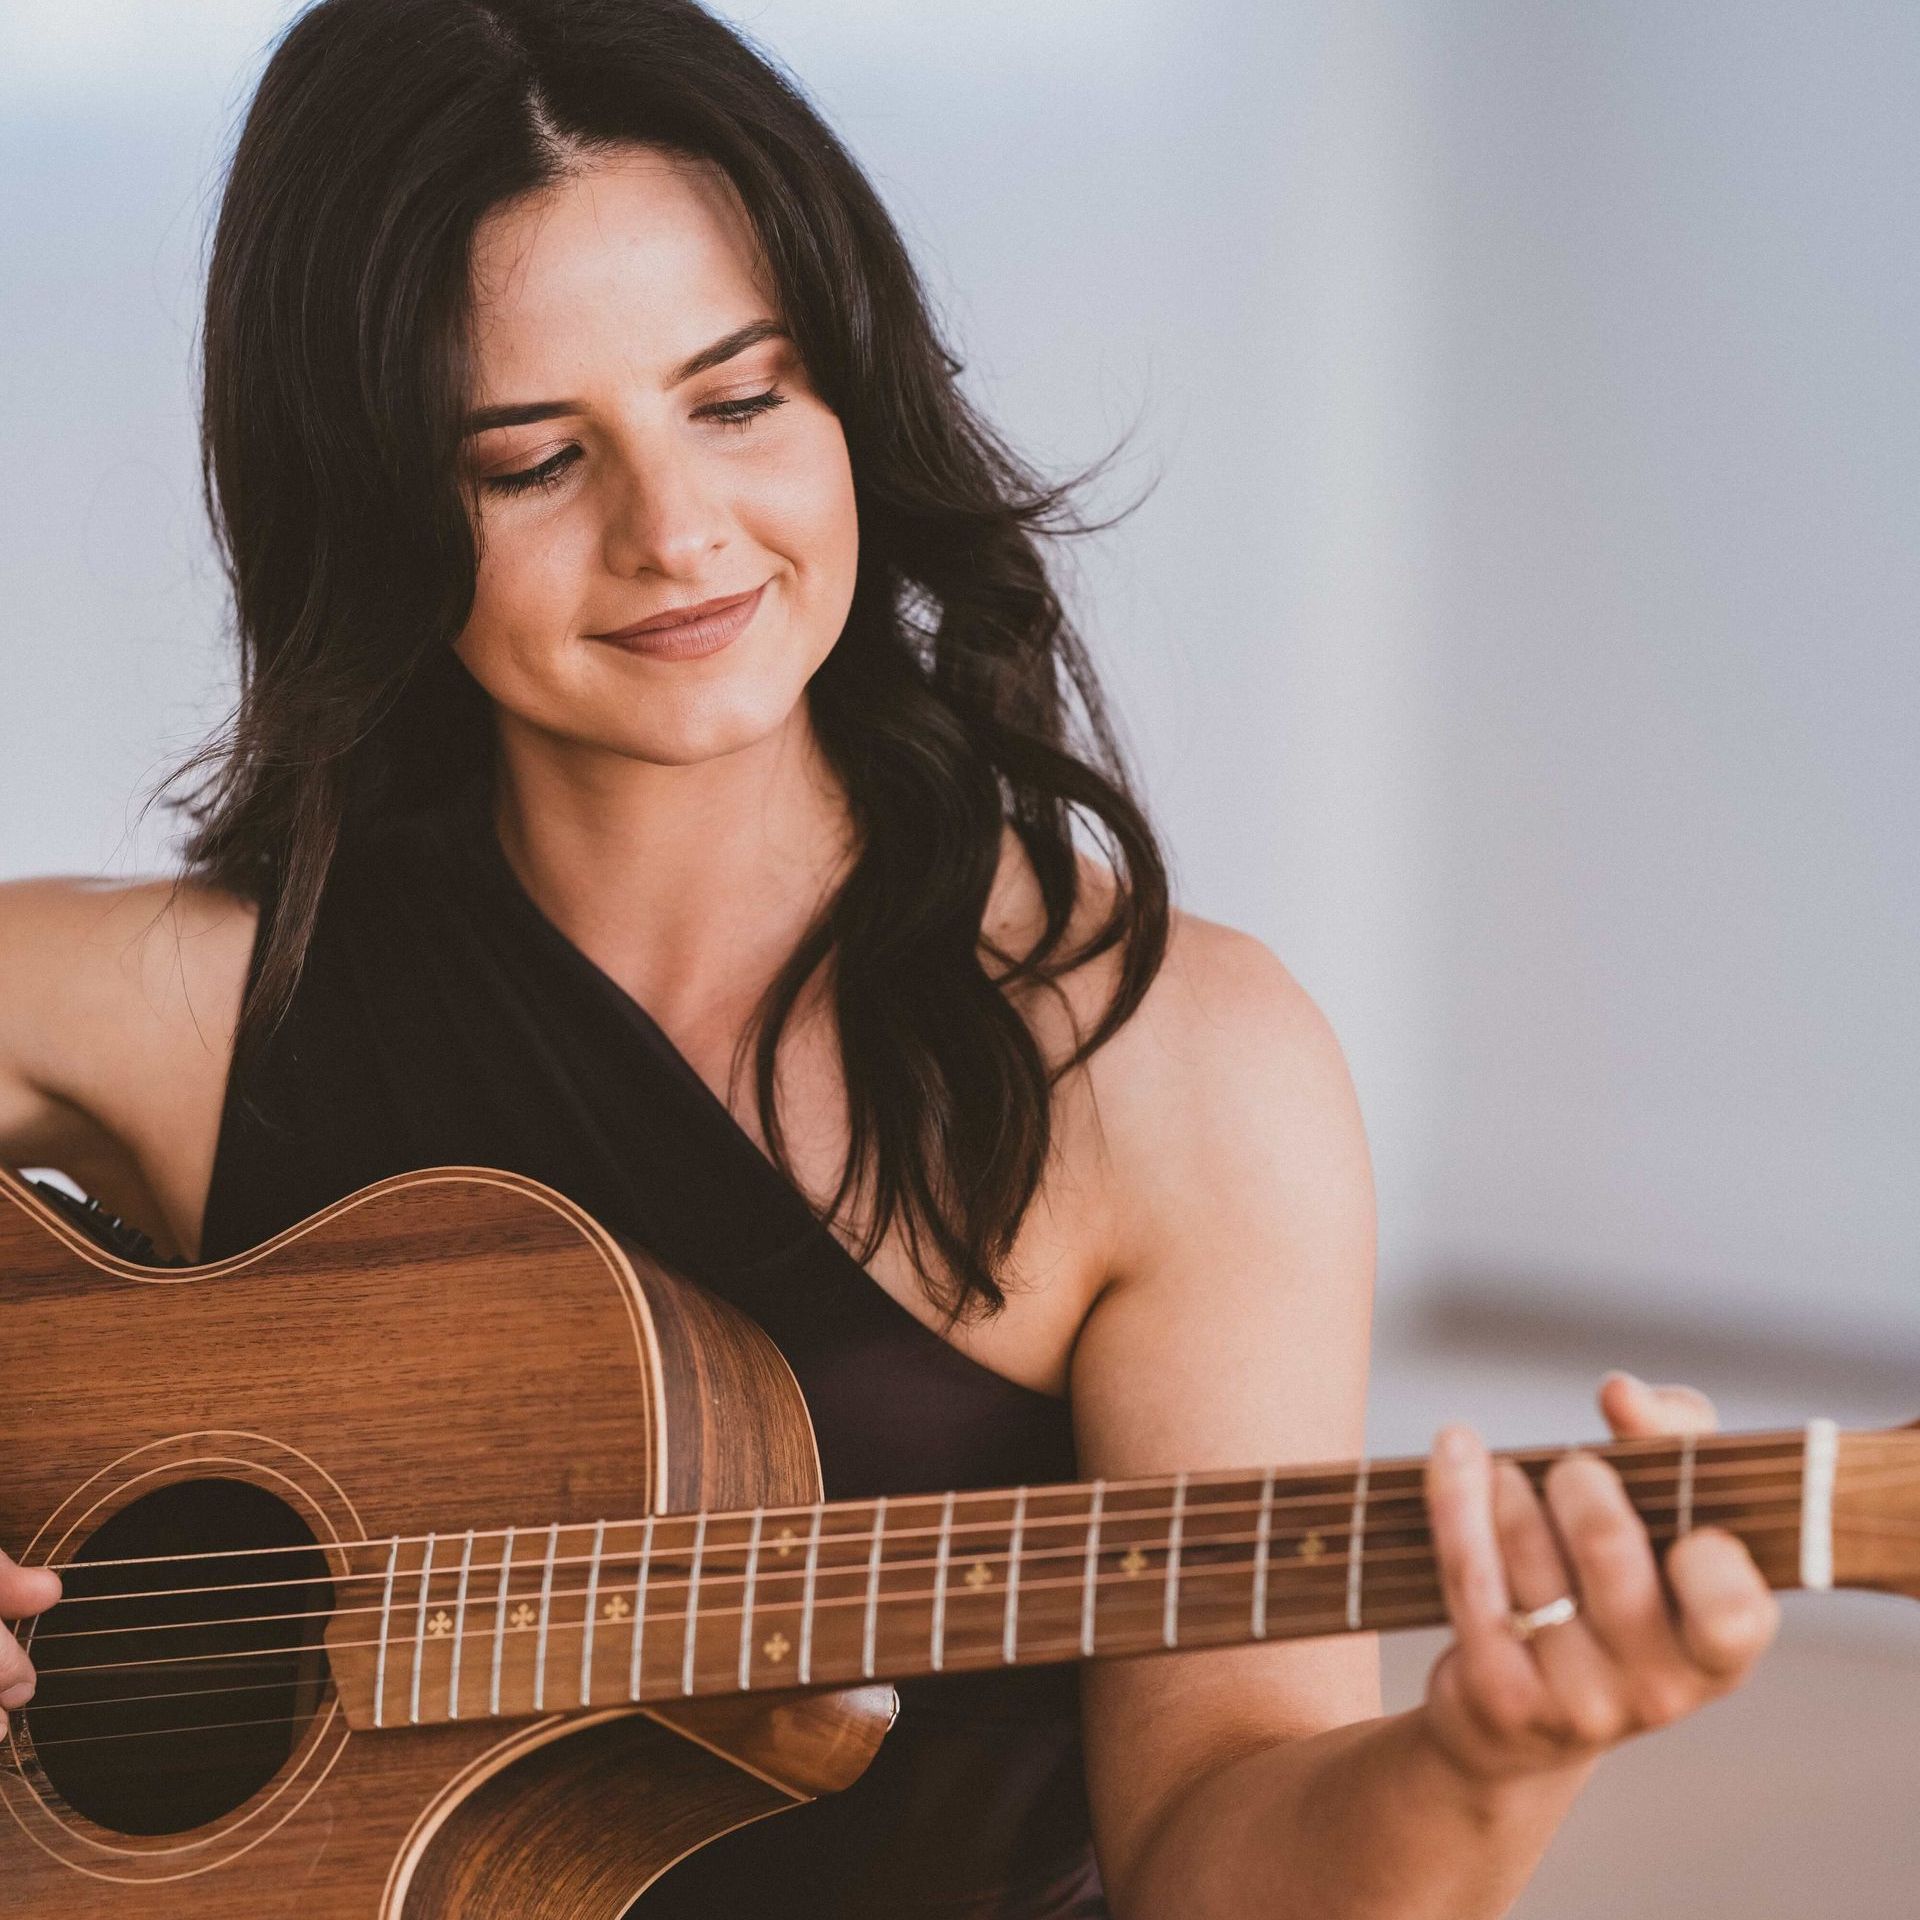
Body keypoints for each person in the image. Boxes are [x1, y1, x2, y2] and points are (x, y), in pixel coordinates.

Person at [0, 3, 1780, 1915]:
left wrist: (1491, 1760)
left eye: (741, 399)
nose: (677, 533)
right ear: (371, 509)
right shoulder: (197, 1009)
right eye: (531, 461)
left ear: (853, 395)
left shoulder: (1164, 1065)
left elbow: (1220, 1859)